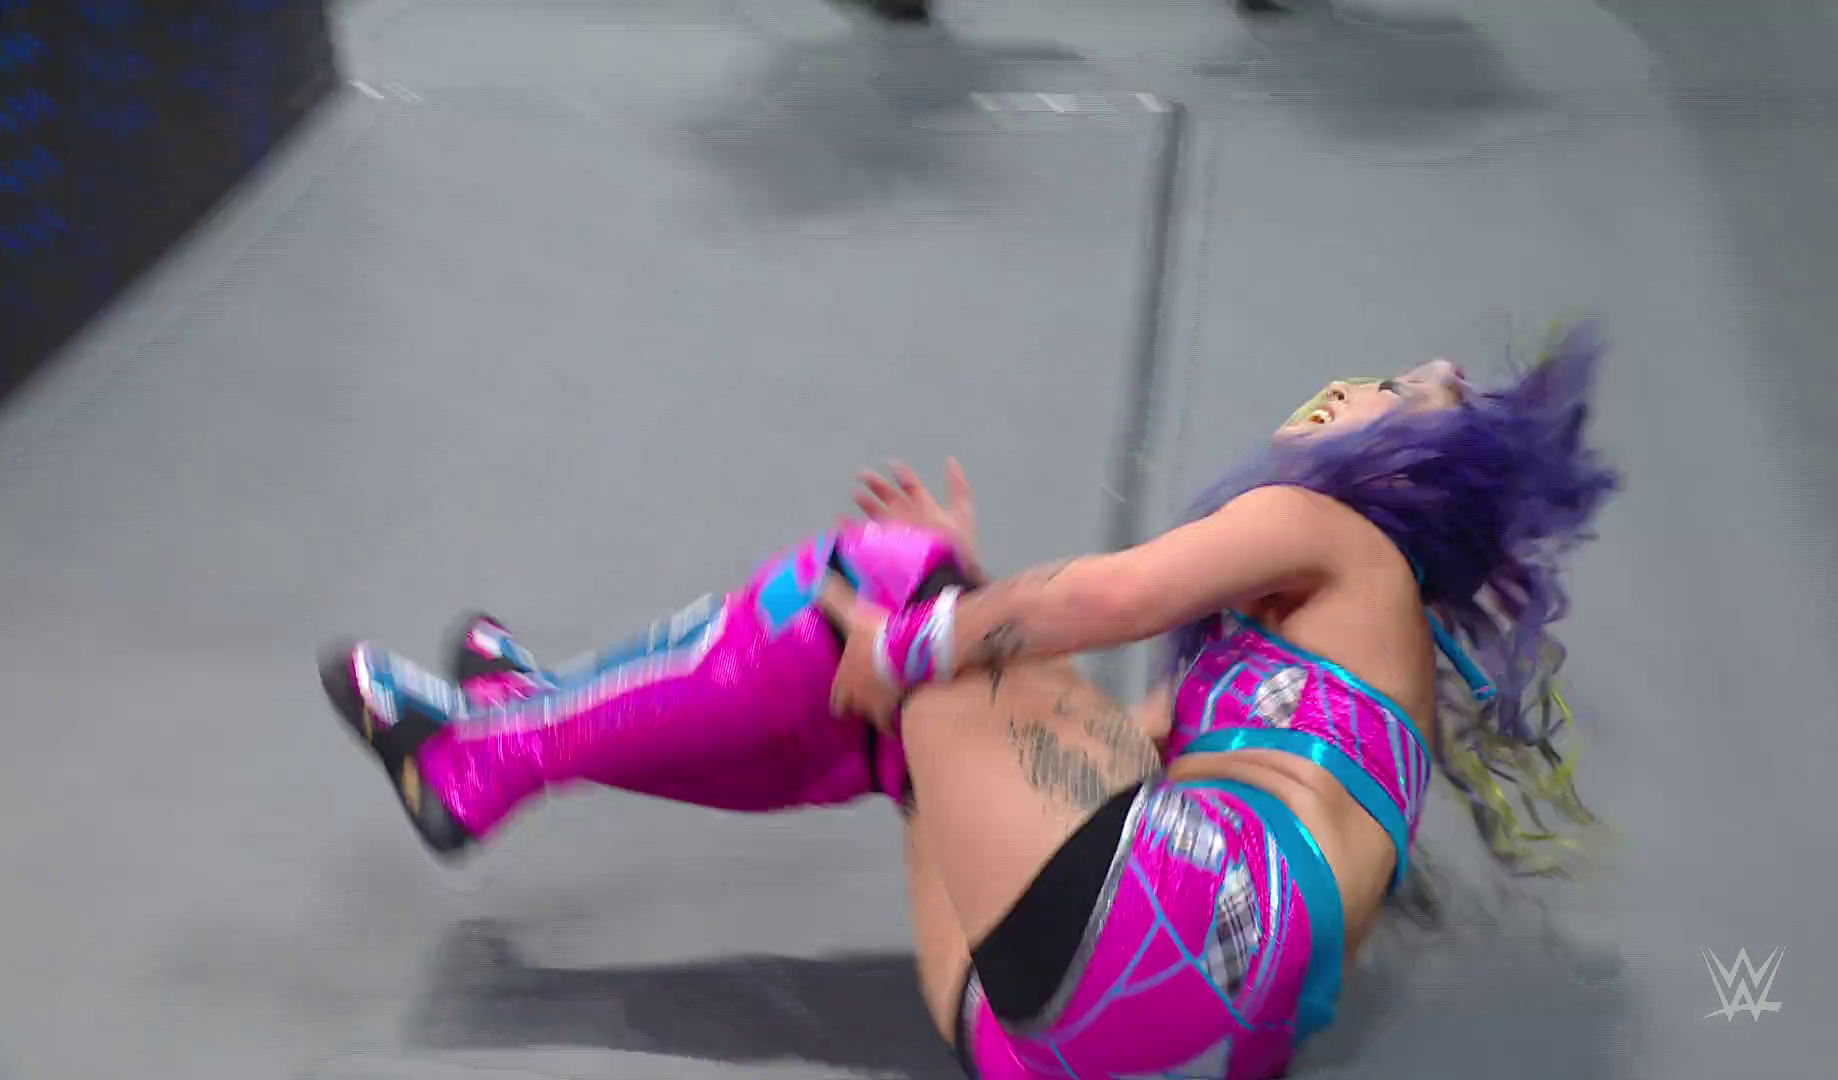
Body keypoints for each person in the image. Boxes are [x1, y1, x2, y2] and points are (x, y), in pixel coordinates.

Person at [318, 318, 1618, 1079]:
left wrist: (935, 617)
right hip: (1096, 1040)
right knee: (906, 693)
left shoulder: (1337, 535)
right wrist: (963, 629)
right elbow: (1095, 758)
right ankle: (530, 726)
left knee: (882, 584)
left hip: (1157, 920)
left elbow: (1105, 601)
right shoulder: (1341, 672)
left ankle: (498, 750)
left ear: (1410, 469)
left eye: (1392, 393)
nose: (1354, 387)